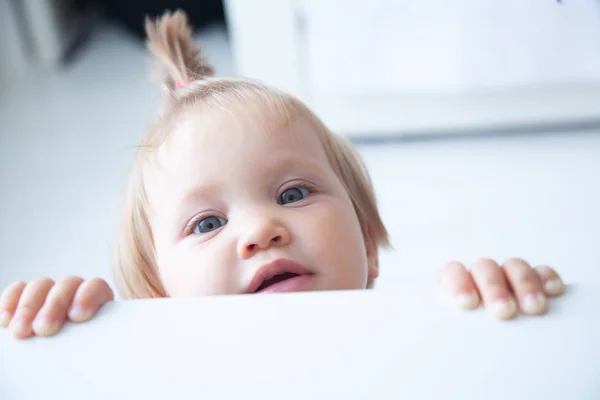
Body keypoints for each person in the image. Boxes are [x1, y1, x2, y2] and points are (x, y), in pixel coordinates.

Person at [0, 10, 565, 340]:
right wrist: (83, 334)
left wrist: (498, 312)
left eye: (293, 193)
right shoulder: (157, 372)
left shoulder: (421, 326)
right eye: (206, 223)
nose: (259, 230)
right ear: (155, 294)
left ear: (367, 242)